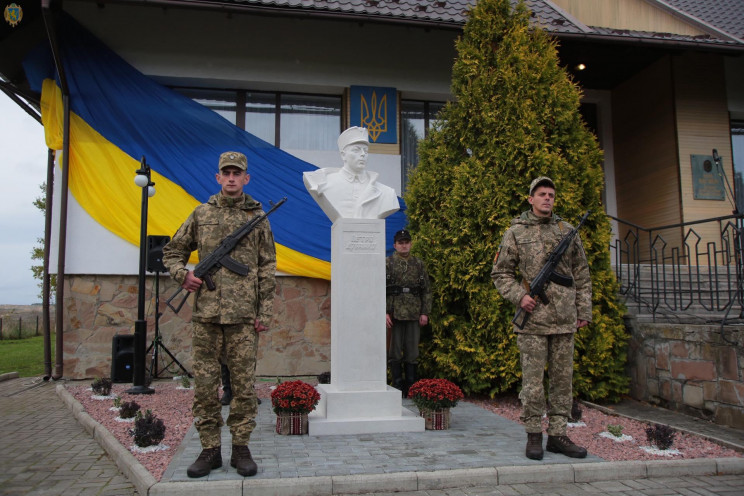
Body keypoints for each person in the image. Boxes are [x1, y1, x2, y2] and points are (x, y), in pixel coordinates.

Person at [162, 151, 276, 478]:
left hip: (242, 318)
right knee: (205, 387)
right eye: (225, 172)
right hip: (207, 317)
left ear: (246, 178)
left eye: (236, 173)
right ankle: (210, 450)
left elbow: (268, 266)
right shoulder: (201, 214)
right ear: (217, 177)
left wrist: (263, 310)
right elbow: (173, 251)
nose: (230, 178)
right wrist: (181, 275)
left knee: (242, 388)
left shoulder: (258, 218)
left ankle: (241, 449)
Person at [490, 177, 591, 461]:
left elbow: (581, 274)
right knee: (533, 383)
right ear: (530, 199)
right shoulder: (515, 232)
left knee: (563, 381)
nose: (547, 198)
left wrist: (584, 311)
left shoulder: (567, 231)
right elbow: (500, 273)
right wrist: (519, 296)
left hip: (564, 319)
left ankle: (558, 435)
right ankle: (534, 434)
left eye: (551, 195)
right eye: (542, 194)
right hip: (533, 321)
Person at [303, 126, 400, 223]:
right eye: (356, 150)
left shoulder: (387, 193)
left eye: (365, 150)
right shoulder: (324, 184)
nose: (363, 154)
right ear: (343, 155)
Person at [386, 229, 432, 397]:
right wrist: (384, 312)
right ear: (395, 245)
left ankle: (412, 388)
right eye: (401, 243)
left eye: (406, 242)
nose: (404, 245)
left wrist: (425, 312)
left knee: (412, 352)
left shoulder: (418, 264)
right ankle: (397, 387)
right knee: (395, 351)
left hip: (414, 312)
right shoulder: (388, 263)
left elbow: (426, 290)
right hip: (394, 312)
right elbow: (379, 289)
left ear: (411, 244)